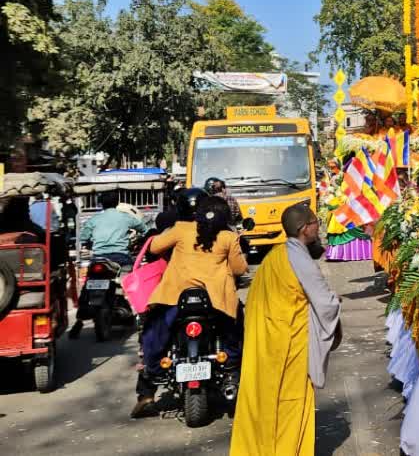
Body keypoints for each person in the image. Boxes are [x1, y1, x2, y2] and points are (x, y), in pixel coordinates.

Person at [231, 202, 341, 455]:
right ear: (305, 229)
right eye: (316, 223)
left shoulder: (276, 255)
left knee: (263, 401)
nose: (318, 228)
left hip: (265, 342)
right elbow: (325, 304)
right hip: (289, 344)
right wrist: (336, 301)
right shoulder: (299, 258)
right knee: (289, 402)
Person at [131, 193, 248, 418]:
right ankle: (232, 372)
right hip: (216, 303)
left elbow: (153, 248)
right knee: (234, 331)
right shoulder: (227, 237)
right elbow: (239, 269)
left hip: (175, 299)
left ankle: (148, 388)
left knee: (152, 333)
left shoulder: (181, 229)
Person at [79, 189, 146, 267]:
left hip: (99, 258)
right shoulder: (126, 217)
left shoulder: (94, 219)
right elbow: (144, 229)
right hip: (121, 257)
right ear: (117, 203)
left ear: (102, 204)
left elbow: (83, 238)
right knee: (130, 276)